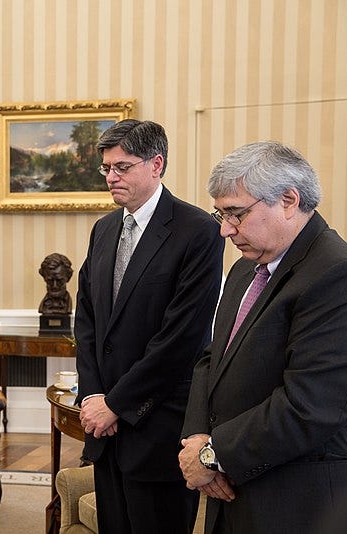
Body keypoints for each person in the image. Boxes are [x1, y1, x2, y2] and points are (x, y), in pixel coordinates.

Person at [179, 141, 347, 533]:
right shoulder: (248, 268)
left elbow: (308, 406)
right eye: (220, 213)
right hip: (232, 490)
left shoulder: (341, 274)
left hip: (297, 501)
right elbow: (212, 359)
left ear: (289, 200)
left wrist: (213, 455)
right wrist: (197, 438)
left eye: (236, 213)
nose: (225, 230)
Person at [74, 119, 224, 533]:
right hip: (106, 429)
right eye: (106, 168)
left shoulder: (198, 231)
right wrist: (93, 397)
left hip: (158, 425)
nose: (111, 177)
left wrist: (117, 404)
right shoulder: (104, 229)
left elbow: (181, 339)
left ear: (156, 164)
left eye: (122, 167)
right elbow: (86, 318)